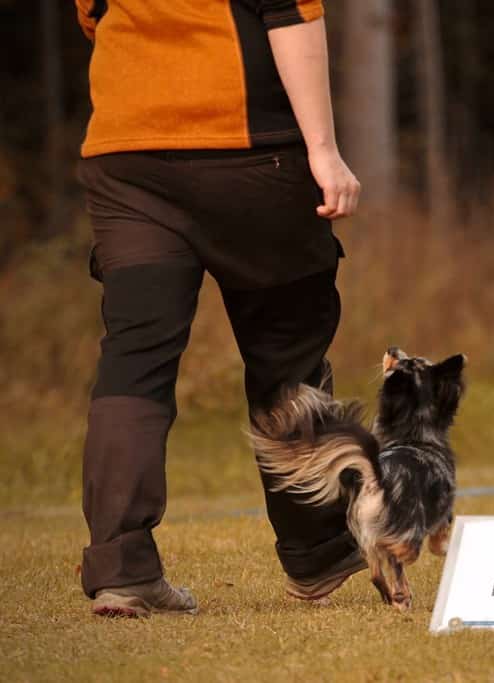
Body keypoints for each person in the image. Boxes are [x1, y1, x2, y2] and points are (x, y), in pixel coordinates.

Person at [74, 1, 363, 617]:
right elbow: (289, 14)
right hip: (251, 150)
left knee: (134, 359)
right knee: (287, 355)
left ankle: (121, 569)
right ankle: (317, 554)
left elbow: (96, 19)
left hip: (127, 157)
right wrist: (324, 149)